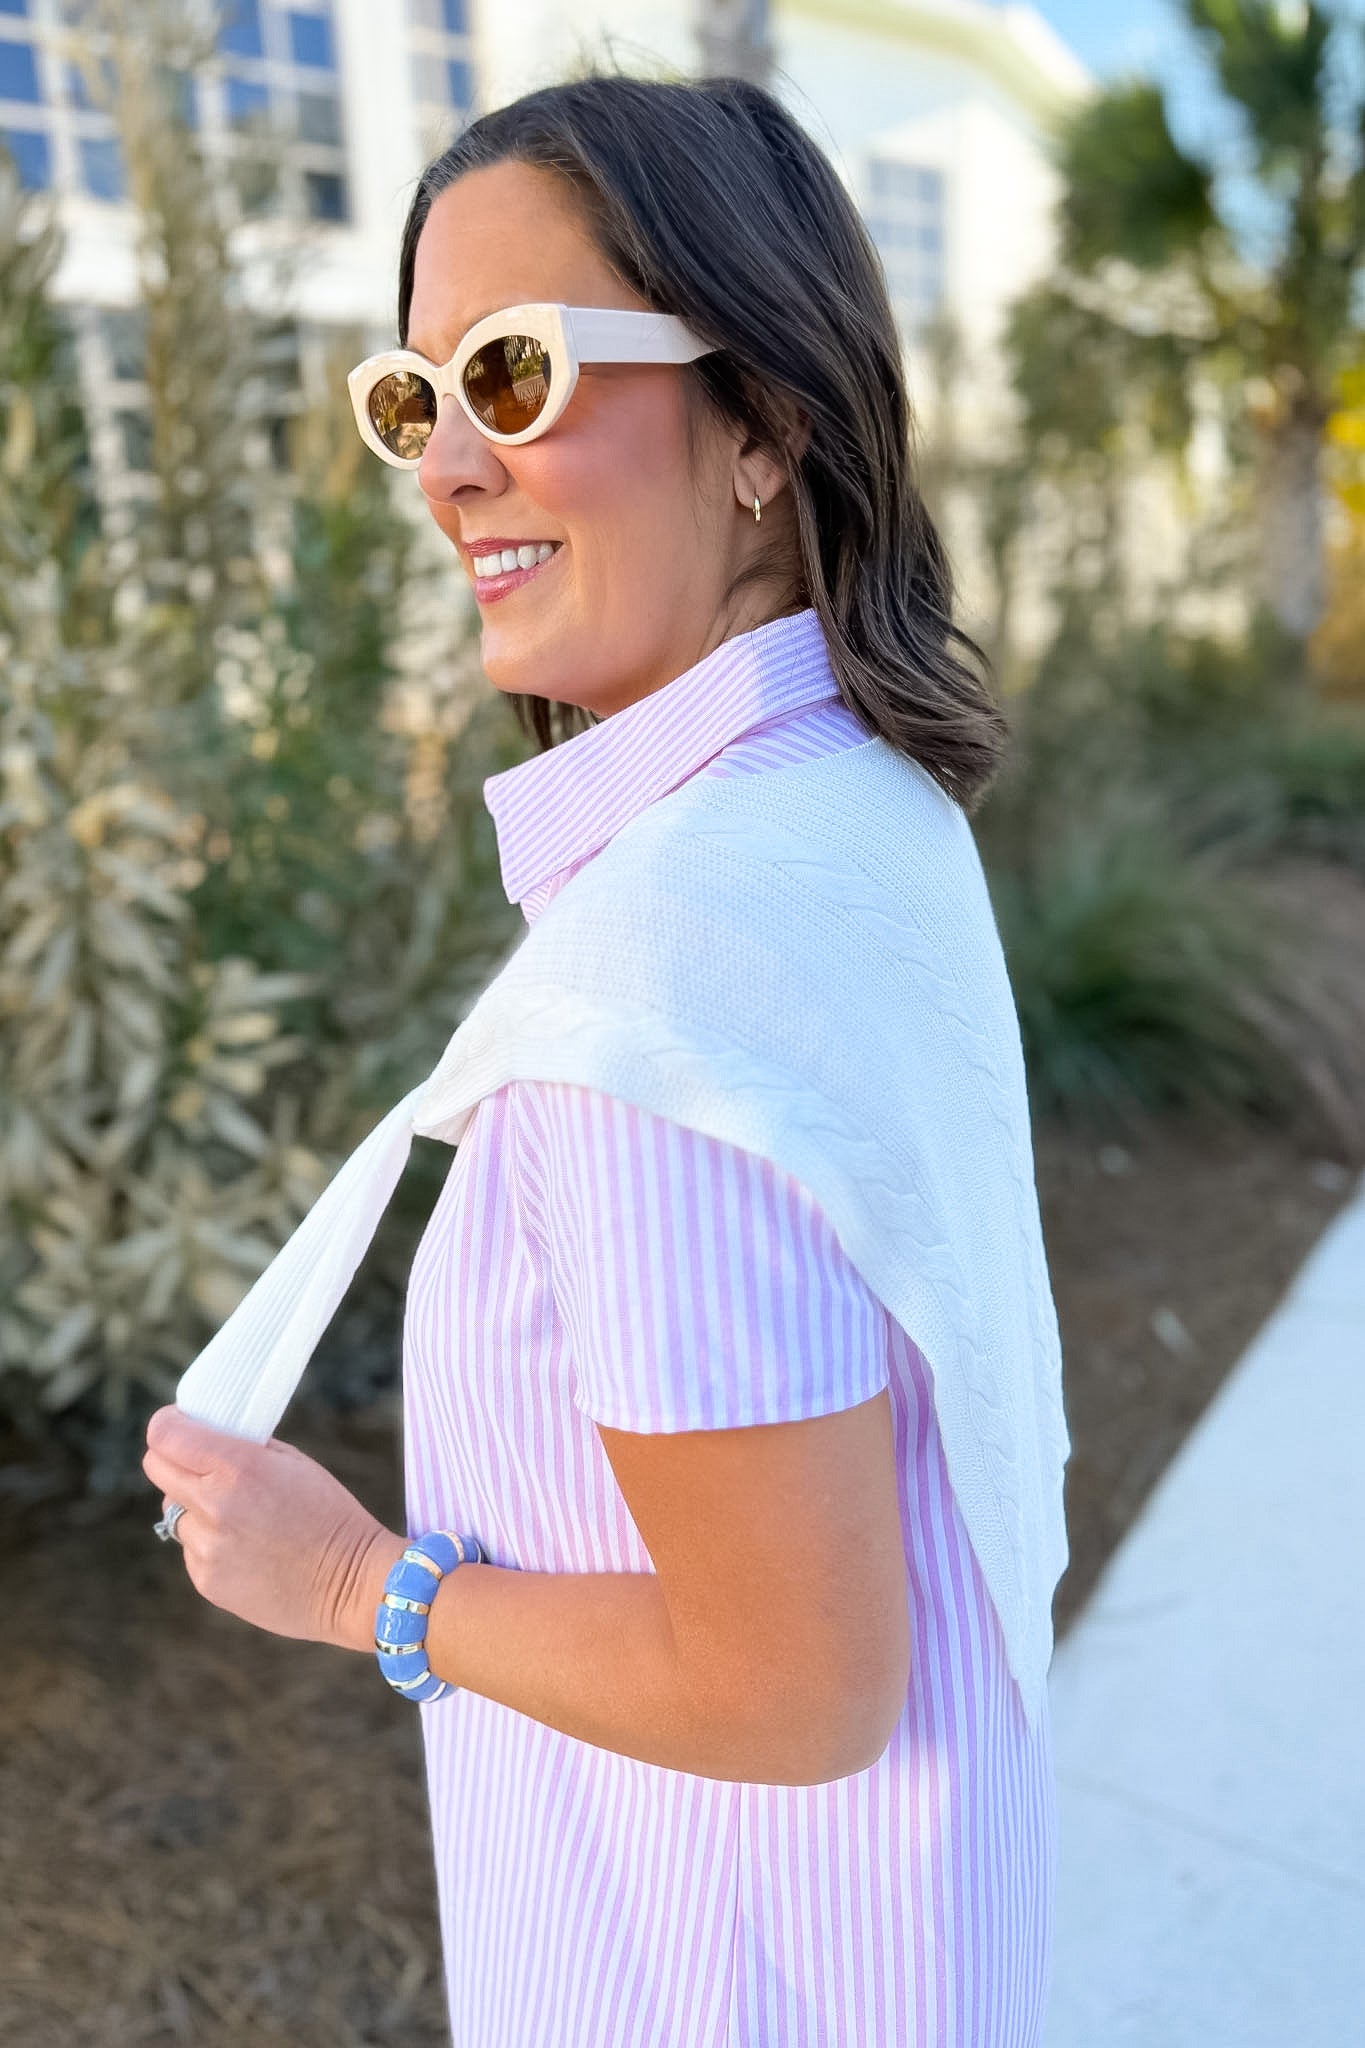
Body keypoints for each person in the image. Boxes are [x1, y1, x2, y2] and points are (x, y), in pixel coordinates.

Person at [144, 70, 1067, 2047]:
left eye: (515, 371)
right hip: (902, 1942)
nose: (447, 465)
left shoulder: (662, 977)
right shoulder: (858, 807)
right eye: (415, 398)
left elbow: (790, 1684)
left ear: (763, 423)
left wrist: (356, 1582)